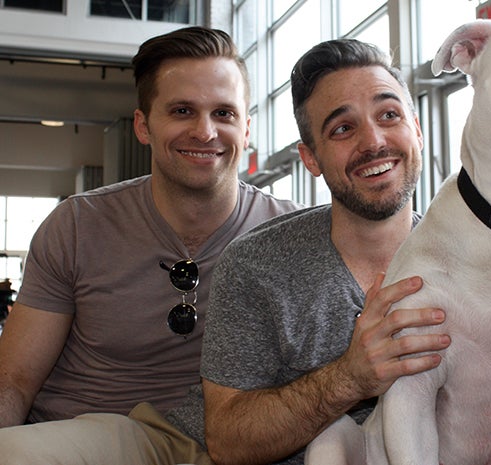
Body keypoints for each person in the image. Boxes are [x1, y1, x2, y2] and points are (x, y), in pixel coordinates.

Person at [198, 38, 491, 465]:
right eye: (342, 129)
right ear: (310, 159)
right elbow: (226, 442)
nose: (374, 141)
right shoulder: (257, 264)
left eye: (390, 115)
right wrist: (352, 376)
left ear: (418, 129)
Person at [0, 26, 299, 464]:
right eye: (182, 110)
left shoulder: (289, 233)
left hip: (223, 446)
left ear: (246, 128)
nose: (205, 131)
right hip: (84, 437)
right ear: (143, 125)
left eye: (224, 113)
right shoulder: (78, 225)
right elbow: (14, 380)